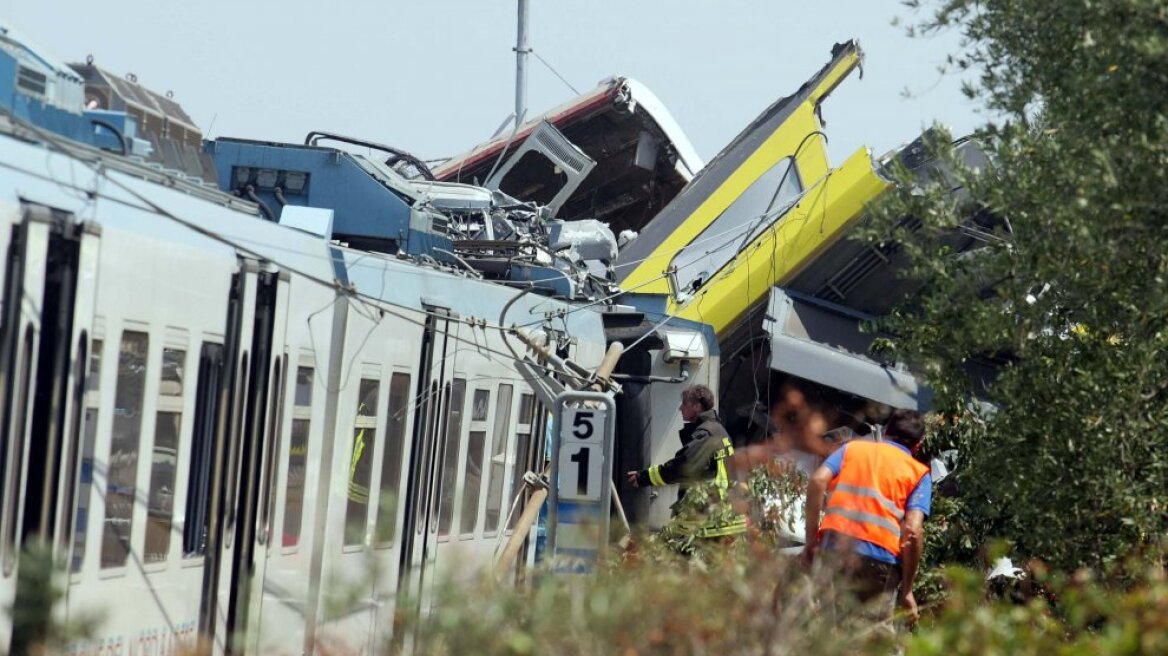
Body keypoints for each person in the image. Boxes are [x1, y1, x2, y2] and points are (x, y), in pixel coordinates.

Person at [802, 409, 931, 629]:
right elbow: (913, 529)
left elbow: (817, 480)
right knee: (872, 641)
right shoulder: (918, 473)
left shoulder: (852, 449)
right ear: (917, 446)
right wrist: (907, 589)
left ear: (886, 432)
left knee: (825, 633)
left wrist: (811, 541)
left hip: (834, 549)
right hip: (881, 561)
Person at [626, 385, 745, 537]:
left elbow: (683, 467)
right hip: (723, 518)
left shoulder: (705, 434)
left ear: (696, 406)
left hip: (708, 522)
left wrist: (644, 477)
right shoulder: (718, 430)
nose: (680, 408)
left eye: (684, 404)